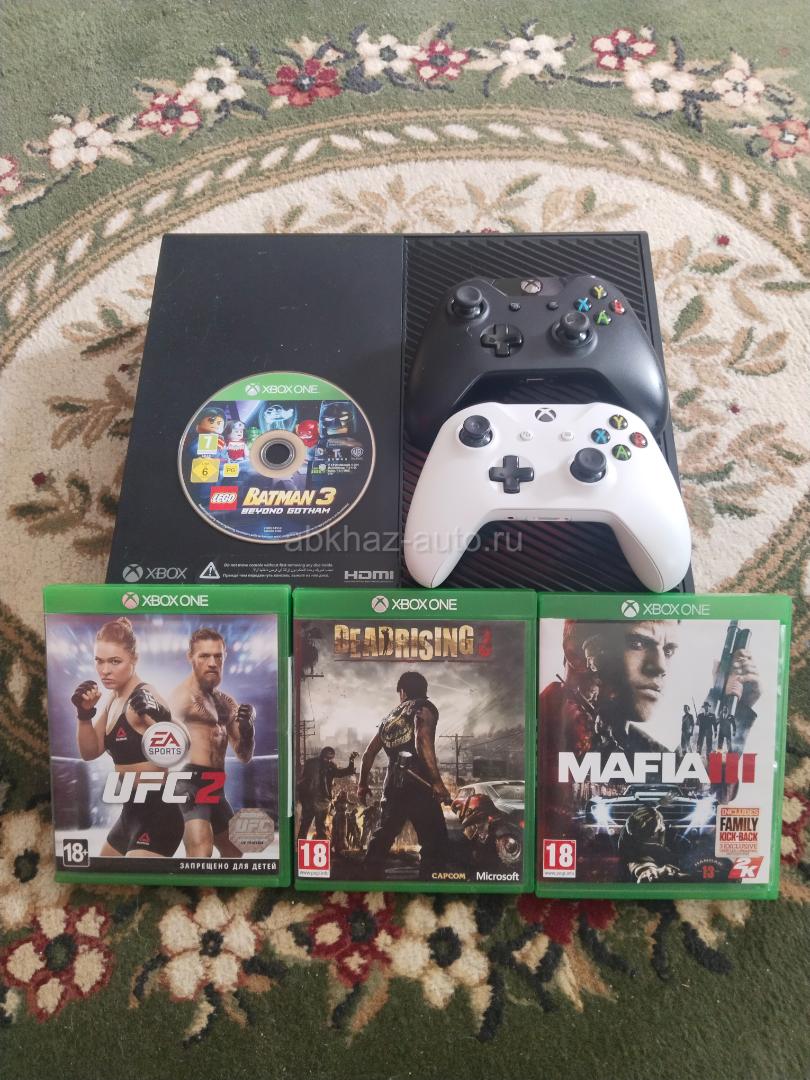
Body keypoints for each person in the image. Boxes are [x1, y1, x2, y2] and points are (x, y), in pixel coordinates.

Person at [73, 617, 183, 858]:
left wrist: (162, 718)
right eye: (99, 661)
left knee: (136, 878)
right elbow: (90, 752)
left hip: (159, 817)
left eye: (115, 661)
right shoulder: (112, 699)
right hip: (129, 817)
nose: (105, 670)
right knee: (102, 876)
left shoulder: (145, 695)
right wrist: (84, 715)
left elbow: (183, 745)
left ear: (134, 658)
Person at [169, 628, 256, 858]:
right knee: (201, 852)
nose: (212, 663)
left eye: (218, 656)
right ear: (190, 657)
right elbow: (158, 748)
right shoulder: (180, 697)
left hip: (215, 786)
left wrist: (248, 731)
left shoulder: (226, 702)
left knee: (234, 851)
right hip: (189, 783)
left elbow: (244, 755)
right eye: (204, 656)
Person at [358, 671, 451, 880]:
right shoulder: (424, 707)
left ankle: (366, 882)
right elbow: (422, 740)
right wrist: (437, 782)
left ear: (403, 691)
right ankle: (429, 890)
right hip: (419, 784)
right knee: (435, 843)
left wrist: (362, 784)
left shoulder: (388, 719)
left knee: (383, 837)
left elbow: (368, 754)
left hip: (393, 785)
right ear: (424, 690)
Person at [297, 747, 358, 840]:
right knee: (308, 826)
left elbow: (343, 772)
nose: (328, 761)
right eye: (327, 758)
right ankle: (302, 845)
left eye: (330, 759)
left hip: (319, 801)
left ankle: (310, 844)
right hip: (312, 801)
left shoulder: (328, 766)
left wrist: (351, 761)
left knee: (314, 827)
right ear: (322, 756)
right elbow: (303, 781)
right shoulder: (314, 764)